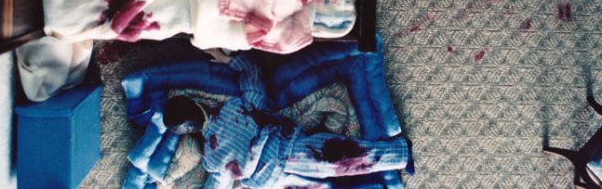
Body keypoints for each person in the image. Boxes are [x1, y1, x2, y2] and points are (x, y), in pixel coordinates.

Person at [162, 49, 415, 189]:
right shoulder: (235, 108)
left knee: (341, 164)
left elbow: (217, 186)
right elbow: (253, 77)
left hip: (278, 172)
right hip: (288, 155)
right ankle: (399, 154)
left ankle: (399, 155)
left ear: (187, 131)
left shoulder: (211, 157)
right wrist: (230, 59)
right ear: (196, 102)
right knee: (345, 159)